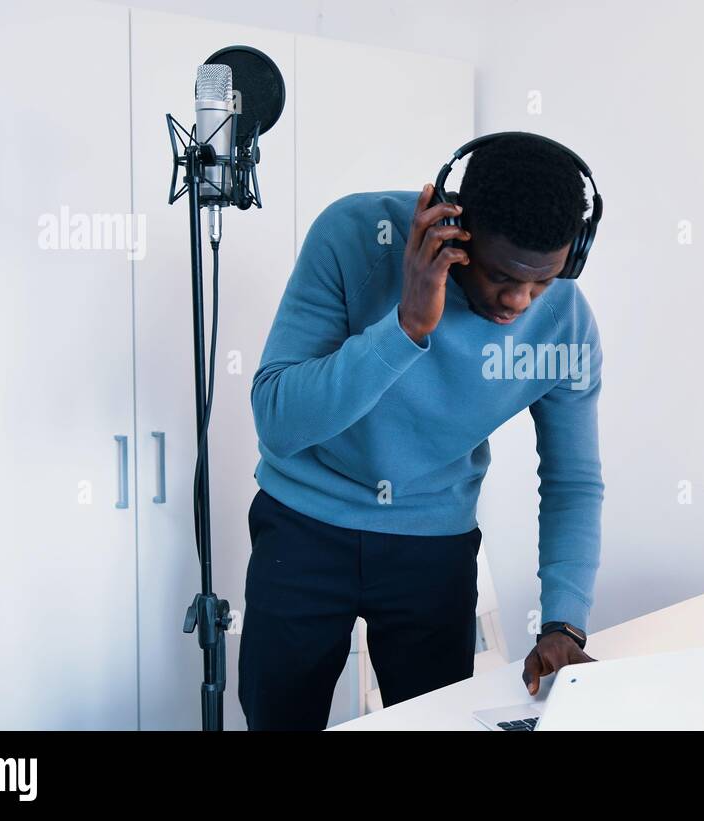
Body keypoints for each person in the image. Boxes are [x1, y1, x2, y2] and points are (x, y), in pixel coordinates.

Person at [238, 132, 605, 729]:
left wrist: (564, 621)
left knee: (434, 725)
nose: (518, 300)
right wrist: (407, 324)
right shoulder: (354, 236)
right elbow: (279, 422)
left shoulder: (564, 321)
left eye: (542, 281)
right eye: (499, 275)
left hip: (432, 544)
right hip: (303, 527)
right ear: (455, 230)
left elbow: (573, 480)